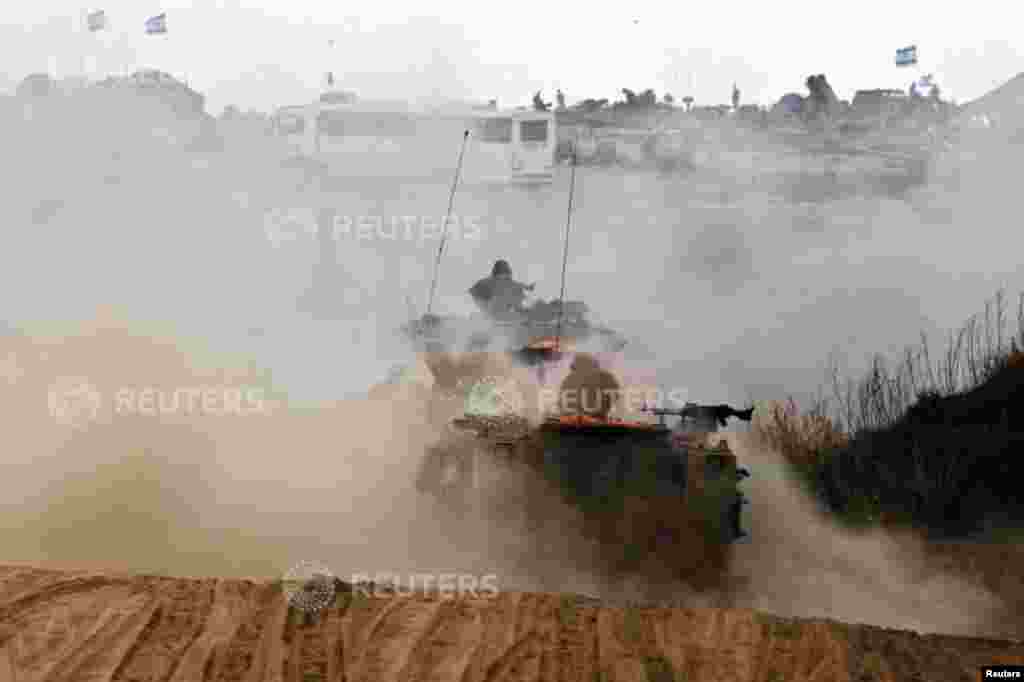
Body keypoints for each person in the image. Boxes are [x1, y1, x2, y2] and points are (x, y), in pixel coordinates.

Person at [558, 353, 621, 419]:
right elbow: (615, 395)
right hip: (595, 418)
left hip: (570, 418)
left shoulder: (567, 380)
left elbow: (561, 404)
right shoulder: (606, 377)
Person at [468, 260, 535, 316]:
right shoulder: (513, 285)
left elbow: (471, 294)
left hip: (494, 315)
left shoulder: (483, 283)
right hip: (499, 315)